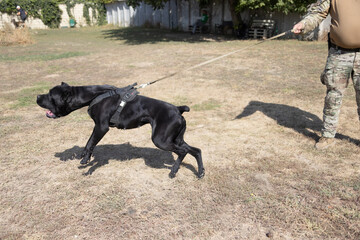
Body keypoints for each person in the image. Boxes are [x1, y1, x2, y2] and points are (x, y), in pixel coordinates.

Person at [293, 0, 360, 149]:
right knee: (333, 97)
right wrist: (304, 25)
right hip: (339, 53)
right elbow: (317, 14)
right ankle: (328, 136)